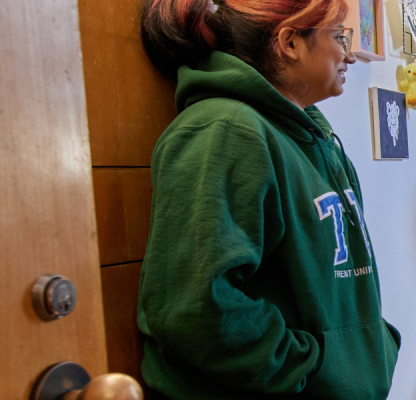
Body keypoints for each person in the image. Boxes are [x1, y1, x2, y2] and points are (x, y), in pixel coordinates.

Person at [137, 0, 400, 398]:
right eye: (339, 36)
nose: (349, 53)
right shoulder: (224, 131)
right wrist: (312, 368)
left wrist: (375, 345)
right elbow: (197, 308)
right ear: (290, 42)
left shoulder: (317, 140)